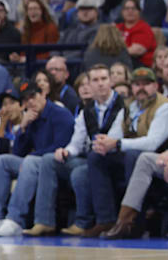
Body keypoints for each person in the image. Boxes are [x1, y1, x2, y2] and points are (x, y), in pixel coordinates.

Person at [0, 77, 74, 237]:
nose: (7, 108)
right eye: (4, 104)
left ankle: (15, 219)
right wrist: (22, 128)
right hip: (19, 161)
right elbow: (7, 152)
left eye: (12, 103)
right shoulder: (2, 121)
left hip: (50, 162)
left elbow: (60, 145)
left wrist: (23, 142)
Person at [30, 64, 123, 237]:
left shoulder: (122, 105)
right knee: (49, 159)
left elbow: (115, 138)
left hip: (112, 157)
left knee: (80, 172)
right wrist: (66, 152)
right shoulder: (86, 111)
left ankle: (83, 222)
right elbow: (76, 143)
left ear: (110, 81)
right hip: (91, 155)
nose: (100, 83)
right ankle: (43, 221)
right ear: (90, 84)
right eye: (95, 80)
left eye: (104, 79)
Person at [86, 67, 168, 237]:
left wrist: (118, 143)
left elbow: (152, 143)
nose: (141, 88)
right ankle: (105, 219)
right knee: (96, 157)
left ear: (156, 86)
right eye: (137, 84)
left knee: (133, 156)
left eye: (146, 84)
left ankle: (135, 222)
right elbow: (114, 135)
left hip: (160, 159)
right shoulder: (129, 106)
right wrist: (105, 143)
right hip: (133, 153)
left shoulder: (166, 108)